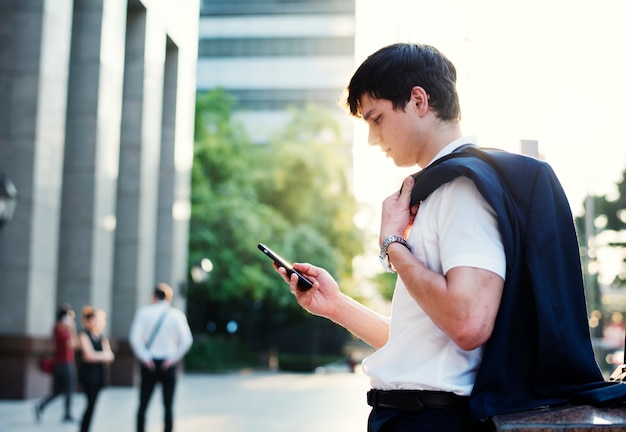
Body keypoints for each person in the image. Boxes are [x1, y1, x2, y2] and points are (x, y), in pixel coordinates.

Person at [273, 42, 626, 432]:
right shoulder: (445, 189)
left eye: (376, 118)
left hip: (429, 420)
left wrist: (393, 245)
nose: (373, 138)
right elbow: (427, 344)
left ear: (419, 101)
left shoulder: (461, 189)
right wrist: (336, 305)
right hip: (416, 415)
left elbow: (468, 322)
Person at [129, 283, 193, 432]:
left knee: (143, 405)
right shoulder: (176, 315)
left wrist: (145, 358)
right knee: (168, 406)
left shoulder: (143, 313)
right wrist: (173, 358)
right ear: (169, 298)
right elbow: (187, 340)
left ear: (154, 296)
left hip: (149, 364)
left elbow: (134, 338)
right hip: (168, 364)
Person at [35, 304, 78, 423]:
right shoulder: (62, 331)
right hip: (65, 364)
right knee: (69, 389)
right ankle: (67, 414)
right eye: (70, 318)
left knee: (59, 390)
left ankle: (41, 405)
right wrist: (72, 330)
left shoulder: (56, 329)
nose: (71, 320)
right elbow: (71, 344)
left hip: (60, 363)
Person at [78, 305, 115, 432]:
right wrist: (103, 356)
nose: (97, 322)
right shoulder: (84, 335)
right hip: (88, 376)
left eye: (99, 319)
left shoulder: (102, 337)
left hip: (100, 375)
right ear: (88, 321)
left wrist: (100, 355)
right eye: (94, 319)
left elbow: (110, 355)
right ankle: (84, 428)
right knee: (90, 404)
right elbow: (89, 356)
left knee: (92, 405)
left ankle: (86, 428)